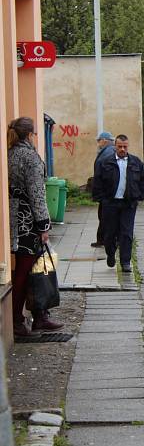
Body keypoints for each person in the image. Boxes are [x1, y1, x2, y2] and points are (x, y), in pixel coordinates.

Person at [7, 117, 63, 337]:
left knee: (27, 267)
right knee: (27, 268)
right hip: (27, 220)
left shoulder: (10, 153)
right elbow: (37, 194)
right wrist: (43, 225)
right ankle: (19, 321)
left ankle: (40, 315)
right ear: (30, 135)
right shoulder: (30, 157)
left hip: (13, 214)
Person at [92, 134, 144, 273]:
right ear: (115, 146)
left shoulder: (135, 162)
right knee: (109, 233)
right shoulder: (106, 162)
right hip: (110, 203)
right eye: (119, 146)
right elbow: (97, 181)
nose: (122, 149)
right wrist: (101, 199)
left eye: (125, 147)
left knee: (126, 233)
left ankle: (125, 262)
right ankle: (110, 253)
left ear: (128, 146)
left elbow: (142, 180)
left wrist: (140, 196)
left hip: (128, 203)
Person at [90, 131, 115, 248]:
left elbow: (104, 174)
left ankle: (105, 240)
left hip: (106, 192)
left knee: (105, 216)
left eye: (98, 140)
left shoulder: (108, 153)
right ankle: (102, 240)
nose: (98, 143)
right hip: (106, 192)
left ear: (104, 140)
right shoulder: (108, 151)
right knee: (103, 216)